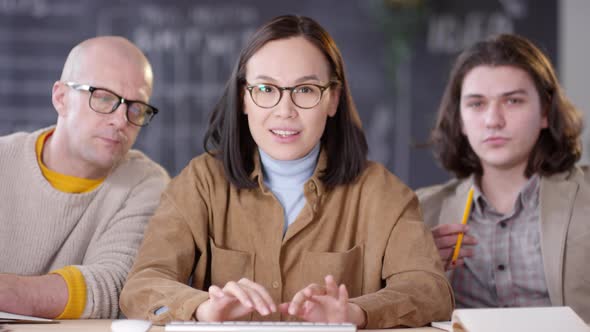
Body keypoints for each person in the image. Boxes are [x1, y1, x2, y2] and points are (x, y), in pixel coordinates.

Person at [120, 15, 453, 328]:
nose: (285, 110)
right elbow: (142, 286)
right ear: (244, 99)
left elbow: (430, 291)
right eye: (266, 89)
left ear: (333, 99)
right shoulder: (201, 183)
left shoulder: (382, 193)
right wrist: (202, 308)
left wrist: (356, 312)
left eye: (305, 90)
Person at [416, 33, 590, 322]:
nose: (493, 120)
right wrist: (414, 266)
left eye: (512, 101)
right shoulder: (422, 211)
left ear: (545, 112)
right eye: (476, 104)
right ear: (460, 119)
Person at [0, 36, 170, 319]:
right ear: (61, 98)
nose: (121, 120)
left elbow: (116, 288)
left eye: (136, 107)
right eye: (103, 97)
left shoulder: (147, 185)